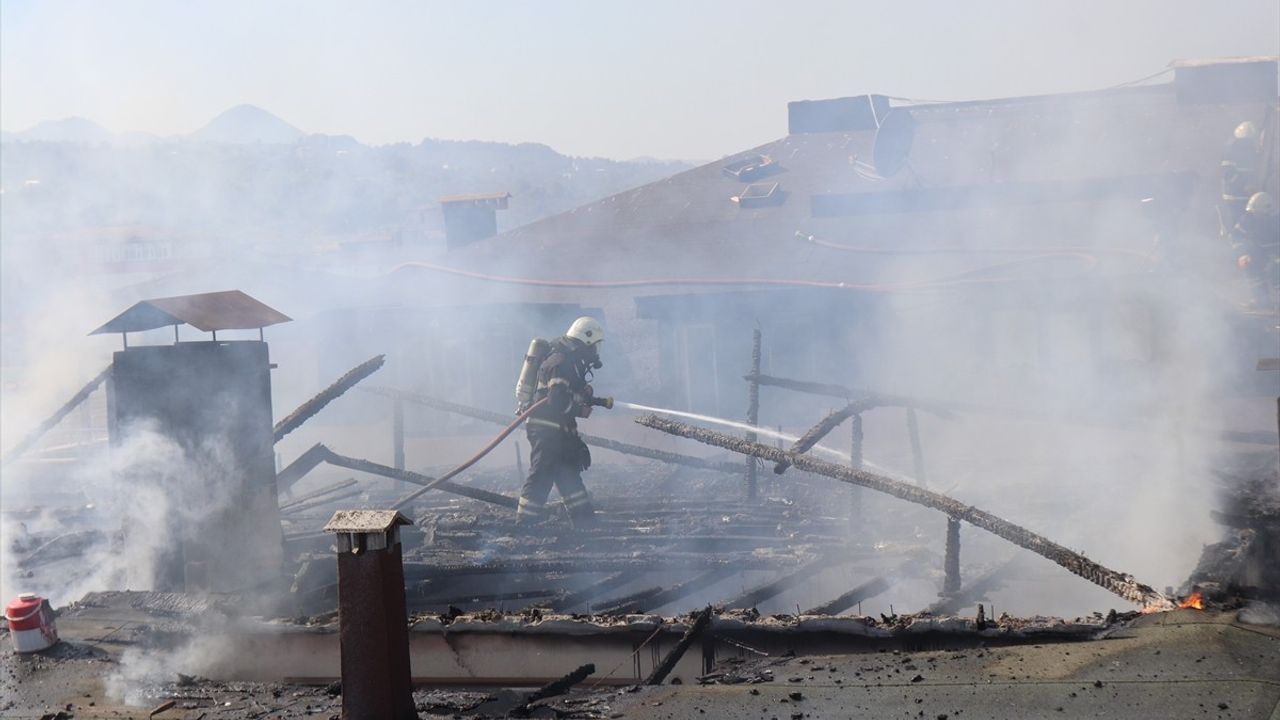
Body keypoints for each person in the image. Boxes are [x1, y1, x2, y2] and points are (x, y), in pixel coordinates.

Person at [517, 316, 608, 528]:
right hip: (546, 428)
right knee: (542, 473)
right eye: (594, 346)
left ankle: (585, 522)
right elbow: (557, 399)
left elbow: (565, 392)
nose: (595, 352)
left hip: (560, 428)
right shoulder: (561, 361)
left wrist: (582, 391)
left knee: (568, 472)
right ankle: (523, 526)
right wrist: (580, 410)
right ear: (585, 340)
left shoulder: (570, 361)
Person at [1231, 191, 1280, 310]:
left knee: (1275, 272)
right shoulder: (1247, 219)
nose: (1256, 215)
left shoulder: (1276, 220)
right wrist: (1242, 254)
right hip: (1257, 253)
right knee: (1251, 268)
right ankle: (1261, 300)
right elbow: (1236, 236)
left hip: (1276, 254)